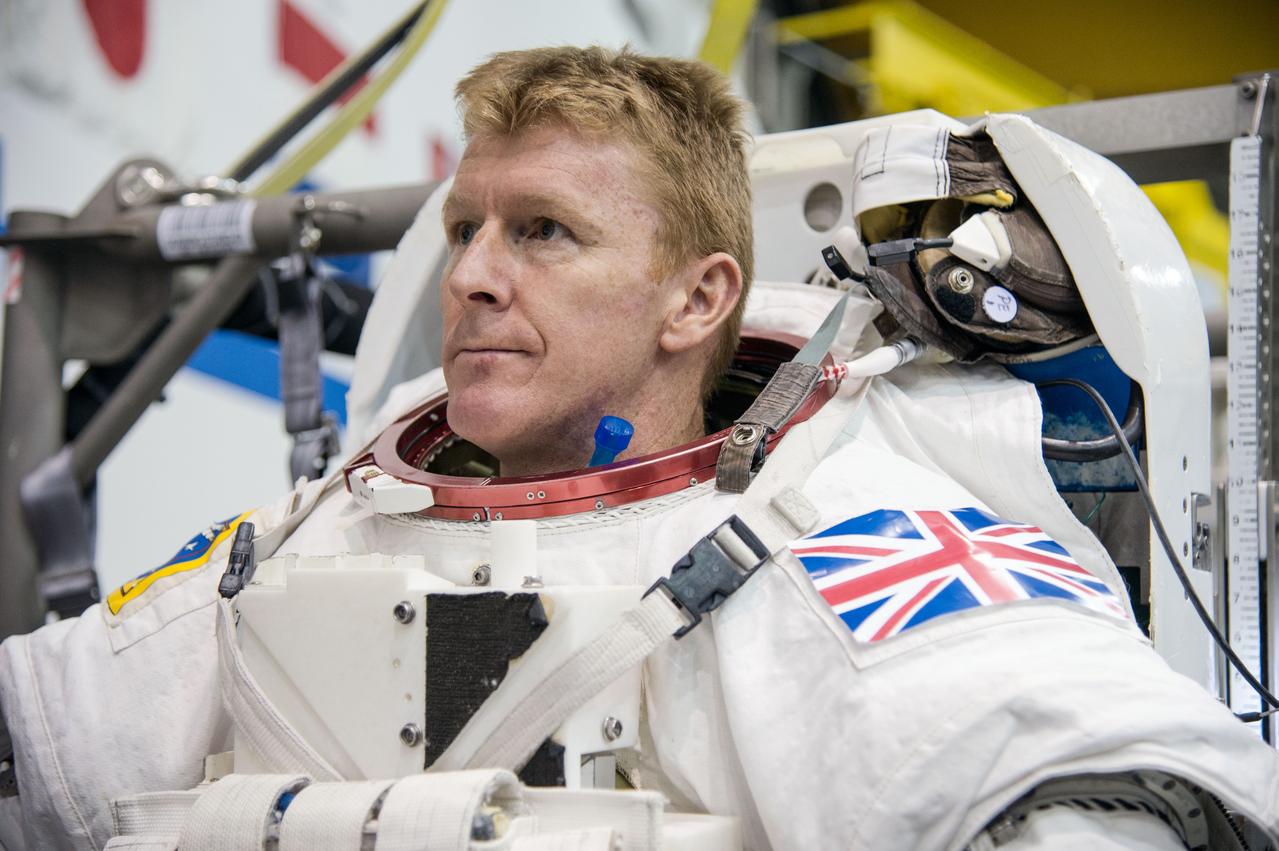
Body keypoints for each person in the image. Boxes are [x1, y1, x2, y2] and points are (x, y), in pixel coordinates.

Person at [2, 45, 1278, 851]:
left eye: (543, 231)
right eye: (464, 229)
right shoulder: (314, 527)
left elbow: (1080, 782)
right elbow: (46, 736)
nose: (475, 278)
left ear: (695, 299)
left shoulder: (841, 526)